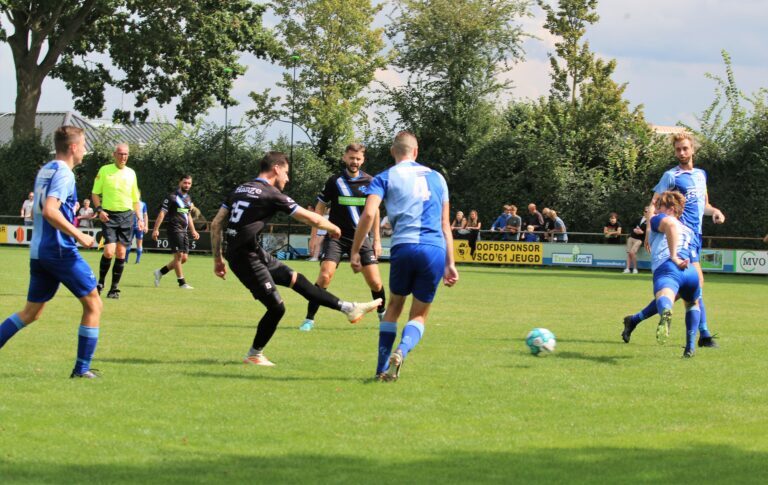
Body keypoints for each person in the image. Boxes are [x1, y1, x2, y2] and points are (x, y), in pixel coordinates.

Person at [209, 151, 381, 366]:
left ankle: (349, 308)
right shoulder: (270, 193)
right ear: (277, 168)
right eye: (287, 173)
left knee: (296, 280)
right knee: (276, 308)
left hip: (250, 252)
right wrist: (332, 226)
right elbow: (307, 216)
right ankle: (254, 354)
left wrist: (218, 258)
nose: (287, 179)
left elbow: (216, 224)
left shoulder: (240, 189)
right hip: (246, 258)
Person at [350, 131, 458, 381]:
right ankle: (402, 350)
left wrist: (356, 250)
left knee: (394, 307)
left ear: (392, 152)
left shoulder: (383, 177)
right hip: (434, 249)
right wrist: (450, 263)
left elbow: (368, 215)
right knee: (419, 314)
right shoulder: (438, 177)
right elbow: (445, 225)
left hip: (403, 247)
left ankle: (380, 369)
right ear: (416, 152)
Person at [0, 126, 102, 378]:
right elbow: (50, 210)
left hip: (39, 251)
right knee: (94, 304)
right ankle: (81, 370)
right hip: (60, 251)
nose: (85, 150)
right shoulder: (65, 174)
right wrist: (80, 235)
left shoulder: (46, 169)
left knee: (31, 313)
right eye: (84, 144)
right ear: (73, 147)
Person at [622, 132, 725, 347]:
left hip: (695, 236)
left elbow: (703, 206)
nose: (682, 153)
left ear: (693, 149)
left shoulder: (700, 175)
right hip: (680, 237)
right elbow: (654, 203)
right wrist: (650, 228)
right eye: (678, 149)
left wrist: (715, 211)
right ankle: (704, 335)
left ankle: (634, 319)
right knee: (695, 285)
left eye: (685, 148)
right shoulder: (671, 176)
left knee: (682, 291)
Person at [300, 143, 386, 331]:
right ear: (344, 158)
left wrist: (377, 240)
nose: (354, 162)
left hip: (362, 238)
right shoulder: (334, 181)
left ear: (363, 160)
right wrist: (316, 235)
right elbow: (320, 207)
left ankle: (383, 316)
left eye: (358, 158)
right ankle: (309, 319)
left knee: (375, 282)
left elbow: (375, 211)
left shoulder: (371, 181)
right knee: (324, 276)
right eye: (351, 158)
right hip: (336, 237)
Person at [640, 192, 701, 357]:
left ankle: (666, 311)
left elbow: (670, 224)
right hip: (690, 272)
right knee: (692, 304)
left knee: (664, 297)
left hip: (669, 266)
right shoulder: (688, 230)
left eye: (660, 207)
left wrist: (673, 256)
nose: (657, 210)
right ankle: (690, 347)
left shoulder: (663, 219)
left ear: (671, 209)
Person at [91, 143, 144, 299]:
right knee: (109, 251)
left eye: (126, 154)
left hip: (127, 216)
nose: (123, 157)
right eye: (120, 154)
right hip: (109, 216)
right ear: (114, 154)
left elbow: (135, 199)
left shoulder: (131, 173)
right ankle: (100, 282)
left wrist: (140, 218)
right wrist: (99, 210)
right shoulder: (104, 170)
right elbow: (94, 194)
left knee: (121, 253)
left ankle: (114, 289)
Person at [152, 175, 200, 289]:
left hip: (184, 230)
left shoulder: (188, 198)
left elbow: (187, 215)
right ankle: (182, 283)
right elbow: (162, 213)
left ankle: (160, 272)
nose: (187, 185)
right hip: (174, 229)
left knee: (183, 258)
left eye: (189, 183)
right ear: (180, 183)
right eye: (185, 183)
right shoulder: (172, 197)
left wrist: (193, 230)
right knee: (178, 256)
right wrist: (155, 229)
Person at [624, 208, 649, 274]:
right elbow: (631, 226)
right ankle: (627, 268)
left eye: (648, 211)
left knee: (632, 252)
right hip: (631, 237)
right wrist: (634, 230)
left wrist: (642, 232)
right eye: (646, 211)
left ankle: (635, 269)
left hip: (639, 239)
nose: (647, 212)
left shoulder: (650, 221)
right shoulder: (638, 219)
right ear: (644, 212)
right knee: (629, 253)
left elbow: (649, 232)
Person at [126, 196, 148, 263]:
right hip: (130, 226)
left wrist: (146, 225)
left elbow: (145, 215)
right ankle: (125, 259)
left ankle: (137, 261)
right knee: (128, 243)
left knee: (139, 243)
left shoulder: (143, 204)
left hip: (140, 227)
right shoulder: (129, 203)